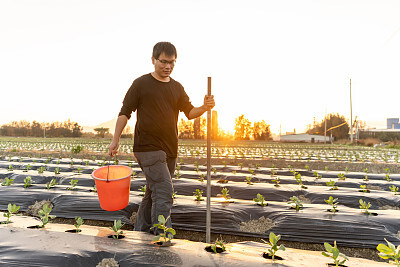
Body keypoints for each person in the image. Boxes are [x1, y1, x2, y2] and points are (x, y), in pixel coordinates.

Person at [108, 41, 215, 236]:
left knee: (153, 193)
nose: (168, 66)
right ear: (153, 60)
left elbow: (190, 112)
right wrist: (115, 139)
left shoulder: (176, 87)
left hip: (170, 150)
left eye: (172, 63)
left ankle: (140, 233)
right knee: (164, 192)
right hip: (147, 148)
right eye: (163, 62)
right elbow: (125, 112)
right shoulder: (141, 83)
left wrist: (205, 107)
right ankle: (161, 237)